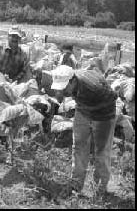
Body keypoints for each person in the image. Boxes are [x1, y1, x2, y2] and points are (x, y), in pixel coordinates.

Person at [50, 65, 118, 196]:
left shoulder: (93, 88)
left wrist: (94, 118)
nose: (62, 91)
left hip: (104, 114)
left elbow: (112, 98)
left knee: (101, 152)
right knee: (79, 147)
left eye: (64, 87)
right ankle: (76, 183)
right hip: (83, 110)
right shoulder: (71, 80)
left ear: (73, 81)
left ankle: (100, 188)